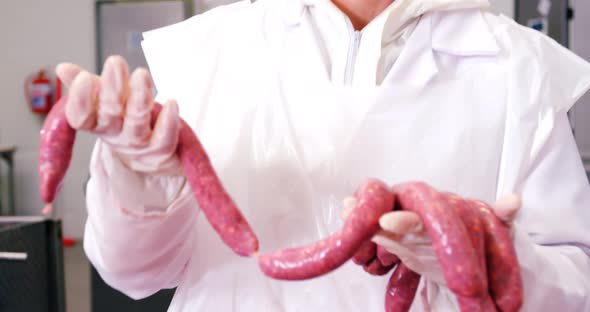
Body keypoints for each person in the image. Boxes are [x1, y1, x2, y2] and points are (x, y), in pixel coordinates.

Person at [57, 0, 590, 310]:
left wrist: (493, 259)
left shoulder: (517, 68)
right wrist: (141, 184)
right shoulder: (209, 50)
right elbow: (134, 275)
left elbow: (576, 289)